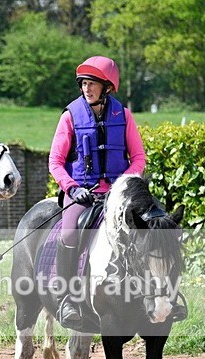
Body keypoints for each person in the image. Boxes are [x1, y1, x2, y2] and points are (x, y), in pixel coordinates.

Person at [48, 56, 146, 327]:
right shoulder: (69, 117)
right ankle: (67, 298)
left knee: (150, 225)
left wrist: (121, 186)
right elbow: (55, 162)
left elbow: (138, 158)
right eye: (83, 84)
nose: (86, 89)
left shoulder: (123, 116)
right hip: (82, 192)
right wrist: (72, 188)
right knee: (69, 232)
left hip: (118, 193)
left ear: (107, 87)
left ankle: (159, 296)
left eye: (92, 84)